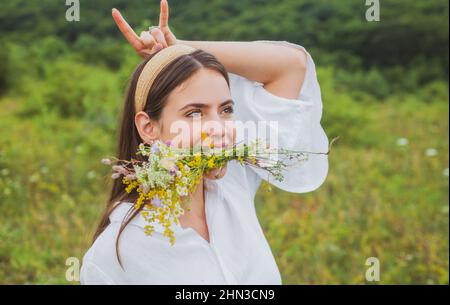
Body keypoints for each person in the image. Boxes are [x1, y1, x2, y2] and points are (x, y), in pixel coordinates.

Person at [80, 1, 329, 284]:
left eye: (226, 110)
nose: (219, 129)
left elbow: (292, 65)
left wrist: (181, 48)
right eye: (195, 113)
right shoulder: (114, 256)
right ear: (148, 127)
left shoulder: (233, 183)